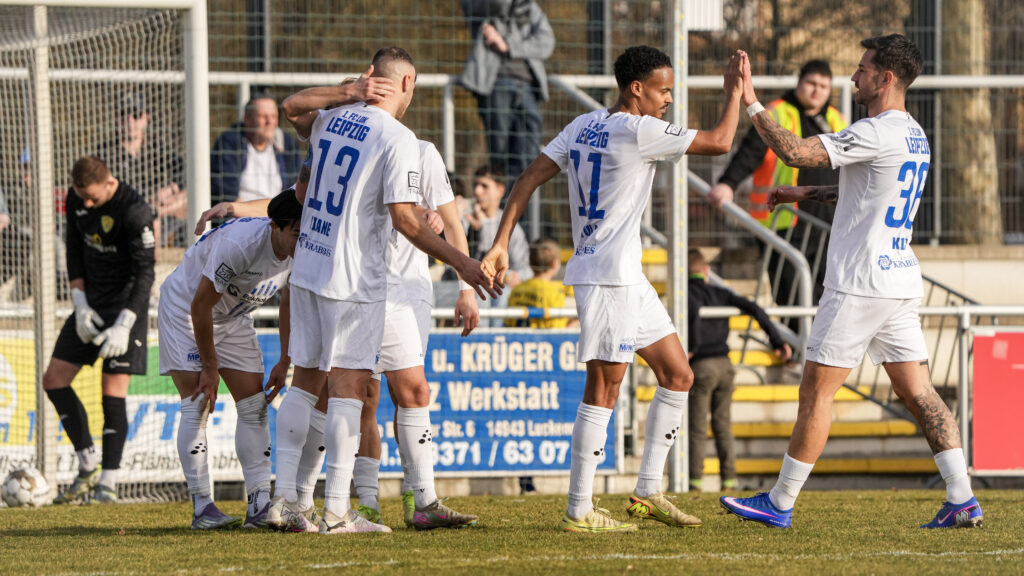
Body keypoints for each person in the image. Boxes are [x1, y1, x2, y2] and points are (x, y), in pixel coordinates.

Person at [721, 34, 983, 529]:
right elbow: (866, 190)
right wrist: (805, 194)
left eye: (862, 68)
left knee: (816, 394)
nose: (853, 76)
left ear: (886, 79)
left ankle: (779, 502)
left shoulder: (875, 130)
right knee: (921, 393)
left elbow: (795, 149)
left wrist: (750, 97)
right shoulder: (913, 134)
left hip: (858, 283)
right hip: (899, 281)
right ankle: (962, 497)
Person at [484, 45, 747, 532]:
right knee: (604, 387)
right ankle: (579, 509)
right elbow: (720, 141)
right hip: (606, 276)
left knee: (678, 374)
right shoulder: (639, 129)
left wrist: (501, 243)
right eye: (664, 89)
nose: (669, 98)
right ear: (637, 89)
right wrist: (735, 91)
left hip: (625, 276)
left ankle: (647, 491)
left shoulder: (582, 125)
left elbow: (526, 180)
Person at [274, 47, 494, 535]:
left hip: (309, 265)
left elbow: (290, 106)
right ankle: (335, 511)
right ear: (408, 83)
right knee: (351, 390)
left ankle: (287, 502)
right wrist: (464, 265)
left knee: (307, 382)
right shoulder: (398, 138)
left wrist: (345, 91)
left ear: (369, 78)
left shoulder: (332, 119)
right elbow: (404, 219)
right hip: (355, 278)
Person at [351, 139, 480, 530]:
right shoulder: (355, 142)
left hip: (407, 291)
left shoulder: (422, 152)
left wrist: (466, 288)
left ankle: (419, 497)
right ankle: (367, 501)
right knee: (363, 398)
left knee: (411, 392)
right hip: (357, 286)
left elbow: (452, 220)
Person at [159, 188, 301, 530]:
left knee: (254, 406)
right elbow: (200, 306)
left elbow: (289, 302)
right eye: (295, 233)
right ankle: (202, 508)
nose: (302, 240)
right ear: (275, 227)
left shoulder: (305, 246)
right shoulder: (240, 245)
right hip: (185, 310)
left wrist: (285, 359)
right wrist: (210, 367)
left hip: (233, 317)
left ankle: (259, 505)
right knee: (198, 402)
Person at [43, 156, 155, 504]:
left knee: (112, 391)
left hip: (125, 309)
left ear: (110, 183)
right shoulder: (76, 199)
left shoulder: (136, 211)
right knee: (53, 379)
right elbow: (74, 252)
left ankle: (108, 482)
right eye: (82, 198)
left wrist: (125, 323)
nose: (87, 204)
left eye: (93, 198)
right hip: (88, 307)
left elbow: (145, 274)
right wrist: (79, 303)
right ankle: (86, 462)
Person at [709, 60, 847, 321]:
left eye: (824, 86)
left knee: (823, 290)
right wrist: (728, 183)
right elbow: (749, 152)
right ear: (799, 83)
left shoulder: (836, 119)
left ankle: (809, 348)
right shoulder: (777, 113)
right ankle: (794, 351)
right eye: (812, 84)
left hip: (826, 223)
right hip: (783, 220)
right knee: (789, 289)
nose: (817, 91)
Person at [686, 248, 791, 493]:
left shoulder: (686, 295)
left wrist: (691, 347)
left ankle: (694, 482)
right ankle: (730, 481)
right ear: (706, 271)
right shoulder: (720, 293)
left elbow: (691, 314)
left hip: (701, 366)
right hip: (725, 365)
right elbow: (755, 308)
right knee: (723, 424)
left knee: (698, 427)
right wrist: (777, 341)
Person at [459, 0, 554, 182]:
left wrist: (508, 46)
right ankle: (502, 207)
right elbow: (497, 5)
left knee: (529, 156)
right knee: (499, 156)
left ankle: (524, 209)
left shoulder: (529, 8)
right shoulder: (480, 6)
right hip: (496, 84)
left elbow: (547, 42)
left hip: (528, 87)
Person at [97, 92, 188, 247]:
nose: (130, 121)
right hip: (122, 216)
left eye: (136, 115)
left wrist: (169, 190)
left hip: (159, 211)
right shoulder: (105, 152)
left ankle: (153, 215)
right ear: (116, 119)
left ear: (146, 119)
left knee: (187, 197)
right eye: (124, 114)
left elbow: (185, 179)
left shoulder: (159, 149)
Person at [465, 165, 532, 325]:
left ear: (500, 191)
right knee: (480, 293)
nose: (477, 192)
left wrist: (517, 276)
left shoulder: (510, 226)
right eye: (475, 186)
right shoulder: (464, 220)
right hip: (466, 287)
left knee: (501, 292)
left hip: (499, 291)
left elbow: (526, 270)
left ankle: (496, 340)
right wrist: (481, 227)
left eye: (484, 186)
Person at [210, 94, 303, 204]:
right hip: (240, 215)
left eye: (274, 116)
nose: (270, 122)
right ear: (247, 119)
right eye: (263, 116)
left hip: (278, 215)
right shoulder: (230, 143)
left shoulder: (287, 144)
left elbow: (296, 188)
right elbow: (226, 192)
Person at [504, 237, 576, 329]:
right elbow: (558, 332)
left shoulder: (516, 290)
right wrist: (574, 324)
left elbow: (508, 324)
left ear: (530, 263)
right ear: (555, 264)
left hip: (519, 342)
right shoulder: (554, 294)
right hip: (541, 342)